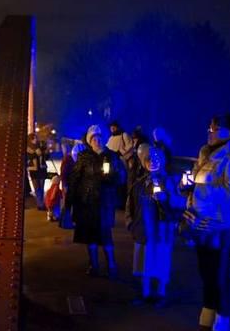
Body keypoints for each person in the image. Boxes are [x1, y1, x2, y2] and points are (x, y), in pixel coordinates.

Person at [181, 114, 230, 331]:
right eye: (209, 126)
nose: (210, 131)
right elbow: (201, 189)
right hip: (203, 226)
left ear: (229, 132)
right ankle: (207, 325)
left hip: (224, 227)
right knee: (208, 275)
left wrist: (207, 201)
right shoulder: (206, 155)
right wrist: (189, 195)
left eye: (216, 128)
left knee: (221, 278)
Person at [68, 125, 126, 278]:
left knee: (105, 234)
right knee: (90, 235)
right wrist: (69, 205)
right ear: (89, 140)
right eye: (94, 138)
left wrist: (111, 177)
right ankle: (94, 265)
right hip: (87, 203)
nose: (97, 140)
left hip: (104, 203)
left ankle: (111, 265)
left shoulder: (111, 156)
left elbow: (121, 178)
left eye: (99, 137)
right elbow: (75, 180)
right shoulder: (84, 157)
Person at [126, 145, 180, 307]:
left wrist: (165, 200)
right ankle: (146, 292)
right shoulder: (140, 183)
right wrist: (131, 224)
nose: (152, 162)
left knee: (161, 259)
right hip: (144, 228)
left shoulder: (168, 181)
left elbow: (177, 204)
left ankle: (161, 293)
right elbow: (131, 204)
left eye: (156, 159)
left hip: (161, 230)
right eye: (149, 159)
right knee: (144, 261)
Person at [27, 133, 49, 211]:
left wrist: (46, 151)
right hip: (33, 169)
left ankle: (42, 203)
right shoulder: (28, 147)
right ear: (30, 139)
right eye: (34, 138)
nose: (35, 139)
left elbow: (46, 158)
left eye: (36, 137)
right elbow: (30, 156)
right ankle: (39, 204)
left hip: (42, 168)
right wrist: (37, 152)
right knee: (37, 187)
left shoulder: (40, 146)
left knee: (42, 187)